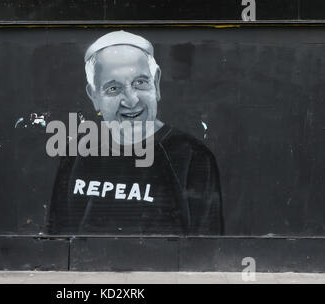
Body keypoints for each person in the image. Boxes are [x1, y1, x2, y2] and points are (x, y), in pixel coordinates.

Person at [47, 30, 223, 235]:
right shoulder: (78, 151)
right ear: (94, 95)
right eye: (113, 88)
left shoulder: (193, 158)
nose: (131, 101)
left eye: (140, 83)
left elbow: (206, 255)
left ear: (156, 84)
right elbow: (57, 241)